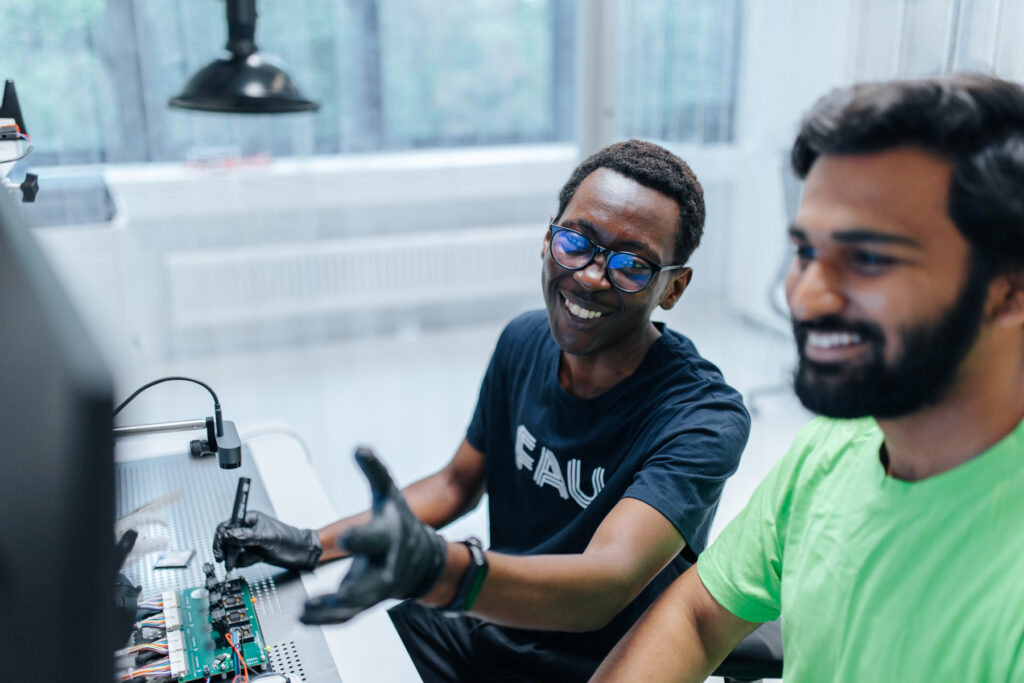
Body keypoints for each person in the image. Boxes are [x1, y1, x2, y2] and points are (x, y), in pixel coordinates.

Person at [213, 140, 751, 681]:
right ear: (547, 241)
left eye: (632, 265)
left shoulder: (702, 417)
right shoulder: (523, 341)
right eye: (576, 241)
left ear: (673, 288)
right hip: (495, 614)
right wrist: (311, 544)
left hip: (599, 661)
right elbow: (455, 484)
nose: (589, 276)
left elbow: (605, 583)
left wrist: (448, 573)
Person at [593, 74, 1024, 682]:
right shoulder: (838, 447)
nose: (807, 295)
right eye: (806, 252)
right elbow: (696, 615)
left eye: (870, 259)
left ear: (1008, 292)